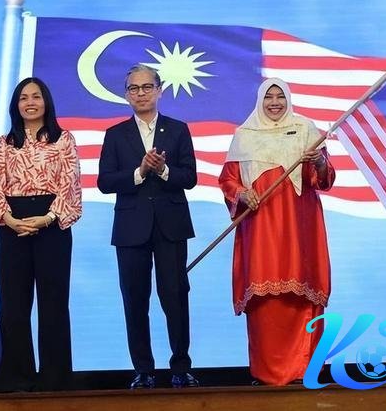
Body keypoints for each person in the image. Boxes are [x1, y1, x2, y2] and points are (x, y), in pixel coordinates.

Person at [218, 78, 335, 386]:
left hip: (300, 228)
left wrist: (320, 161)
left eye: (279, 96)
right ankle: (265, 372)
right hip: (261, 228)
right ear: (260, 100)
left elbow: (322, 180)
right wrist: (242, 194)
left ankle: (304, 369)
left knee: (301, 292)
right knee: (264, 297)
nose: (274, 103)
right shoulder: (244, 135)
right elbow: (228, 180)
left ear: (288, 99)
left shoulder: (306, 129)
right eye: (268, 97)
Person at [97, 64, 199, 389]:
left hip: (171, 226)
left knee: (175, 296)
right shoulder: (115, 134)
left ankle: (181, 368)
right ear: (126, 94)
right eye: (134, 88)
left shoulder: (178, 130)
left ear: (159, 90)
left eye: (146, 87)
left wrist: (164, 170)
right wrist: (139, 172)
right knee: (135, 299)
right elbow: (104, 182)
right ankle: (143, 370)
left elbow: (190, 177)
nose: (140, 93)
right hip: (131, 228)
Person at [0, 77, 82, 391]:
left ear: (46, 102)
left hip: (52, 225)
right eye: (23, 97)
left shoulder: (63, 139)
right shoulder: (5, 142)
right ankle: (17, 378)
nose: (30, 102)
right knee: (14, 304)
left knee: (53, 303)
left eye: (36, 96)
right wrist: (10, 220)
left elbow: (70, 185)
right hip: (11, 225)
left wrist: (48, 218)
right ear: (16, 105)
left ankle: (55, 379)